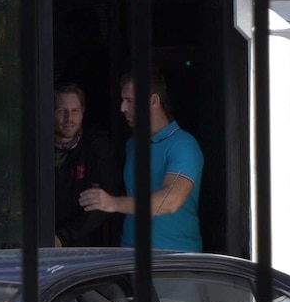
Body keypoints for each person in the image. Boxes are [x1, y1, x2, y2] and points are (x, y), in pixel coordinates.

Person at [78, 69, 204, 251]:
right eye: (123, 100)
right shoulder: (133, 144)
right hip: (130, 253)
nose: (123, 108)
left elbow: (170, 201)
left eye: (130, 101)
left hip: (175, 260)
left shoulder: (183, 145)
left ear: (153, 101)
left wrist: (113, 203)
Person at [53, 83, 121, 247]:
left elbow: (103, 204)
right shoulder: (37, 146)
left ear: (83, 111)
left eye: (75, 111)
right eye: (62, 111)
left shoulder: (97, 146)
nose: (69, 118)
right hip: (39, 244)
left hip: (85, 249)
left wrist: (62, 237)